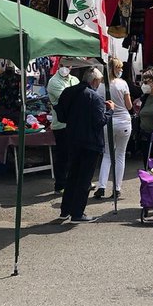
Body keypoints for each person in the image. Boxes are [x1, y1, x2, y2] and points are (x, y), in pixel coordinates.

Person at [55, 67, 111, 223]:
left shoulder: (68, 92)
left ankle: (65, 210)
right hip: (90, 142)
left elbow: (61, 116)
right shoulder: (95, 97)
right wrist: (110, 112)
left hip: (72, 138)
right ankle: (77, 213)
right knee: (84, 179)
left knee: (72, 176)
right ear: (95, 81)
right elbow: (100, 121)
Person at [96, 57, 133, 199]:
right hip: (123, 121)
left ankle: (101, 186)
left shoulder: (100, 86)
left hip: (108, 122)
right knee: (120, 155)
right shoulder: (122, 84)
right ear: (115, 69)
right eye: (119, 68)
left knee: (107, 154)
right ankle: (117, 188)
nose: (121, 70)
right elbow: (129, 106)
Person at [47, 62, 79, 195]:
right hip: (61, 124)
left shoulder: (74, 79)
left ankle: (74, 182)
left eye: (69, 65)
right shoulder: (53, 82)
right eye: (63, 65)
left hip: (74, 122)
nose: (66, 68)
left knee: (75, 154)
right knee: (63, 155)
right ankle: (60, 184)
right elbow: (66, 99)